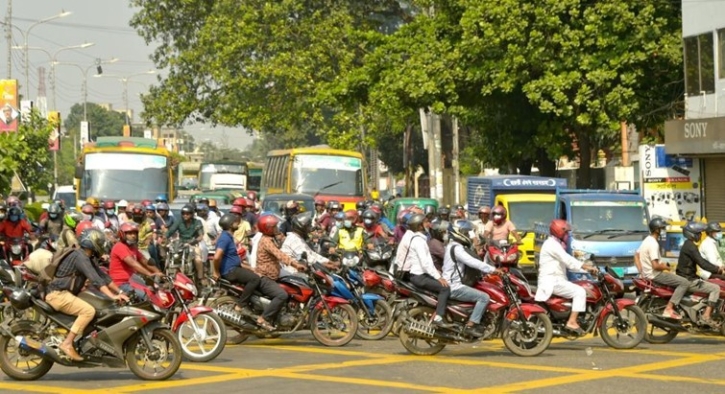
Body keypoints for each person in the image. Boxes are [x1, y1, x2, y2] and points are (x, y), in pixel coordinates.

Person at [45, 228, 129, 361]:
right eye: (100, 242)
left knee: (98, 307)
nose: (102, 246)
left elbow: (103, 276)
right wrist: (112, 296)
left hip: (65, 294)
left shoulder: (87, 257)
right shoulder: (80, 257)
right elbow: (95, 279)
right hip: (58, 295)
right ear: (92, 242)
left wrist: (120, 292)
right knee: (88, 311)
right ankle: (67, 344)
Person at [534, 219, 598, 335]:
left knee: (579, 285)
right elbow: (568, 260)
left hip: (556, 279)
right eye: (566, 233)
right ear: (559, 232)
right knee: (580, 292)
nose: (567, 235)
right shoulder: (552, 245)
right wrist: (586, 267)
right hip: (552, 281)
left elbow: (569, 264)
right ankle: (572, 321)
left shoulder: (555, 244)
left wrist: (585, 269)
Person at [443, 220, 500, 337]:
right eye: (468, 233)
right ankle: (471, 325)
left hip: (450, 284)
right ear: (461, 233)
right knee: (484, 297)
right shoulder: (457, 248)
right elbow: (472, 262)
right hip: (454, 286)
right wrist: (492, 270)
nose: (470, 235)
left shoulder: (452, 246)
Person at [393, 213, 451, 327]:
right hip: (419, 277)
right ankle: (439, 318)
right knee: (445, 288)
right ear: (419, 226)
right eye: (425, 222)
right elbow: (426, 263)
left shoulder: (417, 238)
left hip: (418, 275)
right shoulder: (419, 241)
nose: (428, 224)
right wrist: (438, 277)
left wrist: (436, 273)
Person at [254, 214, 307, 330]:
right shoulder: (266, 241)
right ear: (267, 228)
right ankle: (263, 318)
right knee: (282, 295)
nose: (277, 228)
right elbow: (280, 255)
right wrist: (295, 265)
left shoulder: (271, 238)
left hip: (274, 274)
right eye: (274, 227)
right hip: (265, 277)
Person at [634, 218, 691, 320]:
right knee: (685, 283)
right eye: (662, 228)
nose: (664, 230)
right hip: (655, 275)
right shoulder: (653, 244)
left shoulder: (647, 240)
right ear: (657, 230)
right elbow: (655, 266)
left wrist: (641, 271)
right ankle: (669, 308)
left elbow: (636, 255)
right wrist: (666, 267)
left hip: (648, 274)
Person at [211, 214, 262, 317]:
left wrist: (252, 268)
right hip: (230, 271)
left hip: (234, 268)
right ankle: (241, 305)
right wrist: (216, 272)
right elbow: (216, 257)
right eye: (235, 222)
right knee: (255, 279)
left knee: (256, 276)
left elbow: (234, 260)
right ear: (230, 225)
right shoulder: (225, 238)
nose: (237, 224)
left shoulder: (228, 237)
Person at [675, 222, 723, 326]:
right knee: (715, 288)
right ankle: (706, 315)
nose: (700, 235)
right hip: (688, 279)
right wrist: (717, 270)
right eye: (699, 233)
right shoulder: (691, 247)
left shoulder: (688, 245)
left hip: (687, 277)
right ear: (693, 234)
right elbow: (702, 263)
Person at [109, 222, 161, 299]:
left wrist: (158, 272)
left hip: (132, 280)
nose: (133, 236)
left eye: (135, 233)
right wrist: (149, 274)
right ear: (122, 234)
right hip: (121, 283)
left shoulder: (133, 247)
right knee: (147, 297)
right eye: (129, 233)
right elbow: (133, 264)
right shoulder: (119, 246)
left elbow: (144, 261)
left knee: (154, 291)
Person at [165, 204, 205, 283]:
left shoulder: (197, 222)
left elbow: (200, 236)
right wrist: (164, 238)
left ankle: (201, 278)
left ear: (192, 214)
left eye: (187, 213)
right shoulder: (179, 221)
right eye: (183, 213)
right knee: (171, 256)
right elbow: (170, 231)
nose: (185, 215)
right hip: (181, 244)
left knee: (198, 258)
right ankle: (168, 277)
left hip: (194, 243)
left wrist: (192, 242)